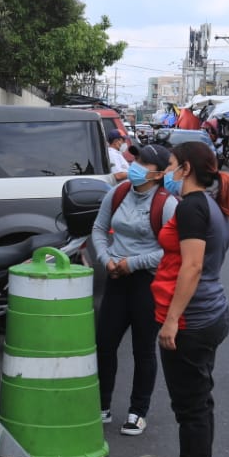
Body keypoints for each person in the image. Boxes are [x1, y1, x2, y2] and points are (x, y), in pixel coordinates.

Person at [146, 141, 229, 457]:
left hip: (192, 320)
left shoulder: (192, 207)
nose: (165, 171)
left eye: (169, 165)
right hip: (207, 313)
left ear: (184, 169)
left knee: (191, 407)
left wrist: (171, 320)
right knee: (197, 402)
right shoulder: (211, 206)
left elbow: (193, 267)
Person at [90, 144, 178, 437]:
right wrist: (107, 260)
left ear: (160, 173)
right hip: (116, 277)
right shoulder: (117, 193)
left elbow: (171, 252)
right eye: (136, 159)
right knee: (104, 344)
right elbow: (99, 230)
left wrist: (133, 263)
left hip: (147, 284)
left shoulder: (167, 204)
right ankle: (101, 404)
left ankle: (138, 411)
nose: (135, 165)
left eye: (143, 162)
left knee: (143, 350)